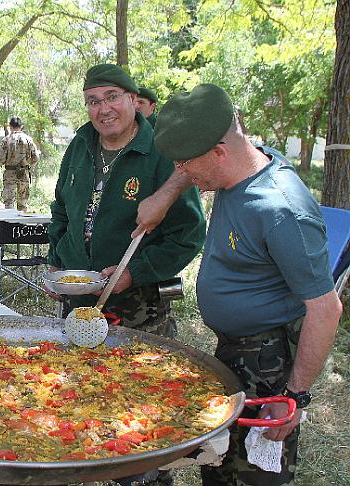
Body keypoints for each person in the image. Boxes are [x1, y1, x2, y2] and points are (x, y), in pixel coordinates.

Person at [151, 83, 342, 486]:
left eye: (186, 163)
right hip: (234, 351)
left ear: (219, 152)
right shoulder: (236, 168)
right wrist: (165, 197)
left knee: (254, 472)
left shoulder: (281, 210)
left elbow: (326, 309)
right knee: (219, 462)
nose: (181, 171)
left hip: (268, 360)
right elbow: (191, 167)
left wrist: (294, 396)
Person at [45, 64, 205, 337]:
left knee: (138, 379)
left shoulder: (161, 151)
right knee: (73, 377)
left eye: (112, 97)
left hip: (140, 309)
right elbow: (61, 211)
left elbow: (188, 234)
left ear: (132, 98)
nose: (103, 109)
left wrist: (135, 272)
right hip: (77, 303)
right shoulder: (79, 146)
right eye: (93, 101)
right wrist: (56, 263)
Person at [0, 116, 40, 211]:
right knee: (23, 203)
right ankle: (22, 225)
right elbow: (36, 157)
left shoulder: (6, 140)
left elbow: (0, 159)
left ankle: (8, 225)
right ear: (22, 126)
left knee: (9, 203)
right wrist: (28, 165)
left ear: (10, 126)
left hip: (9, 174)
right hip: (24, 173)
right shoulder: (29, 140)